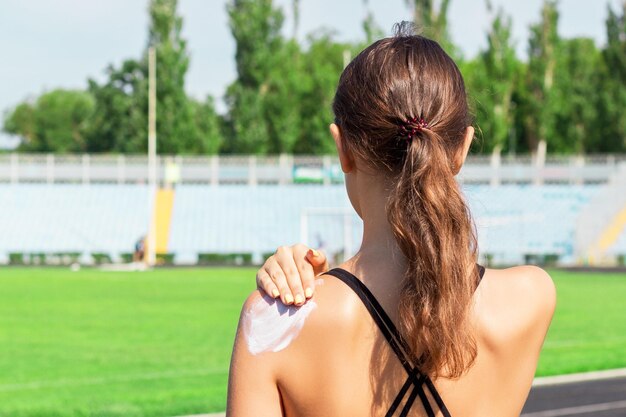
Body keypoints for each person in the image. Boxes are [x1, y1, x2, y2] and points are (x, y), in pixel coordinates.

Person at [227, 23, 556, 417]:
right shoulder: (531, 299)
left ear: (342, 147)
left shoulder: (274, 324)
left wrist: (294, 297)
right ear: (462, 149)